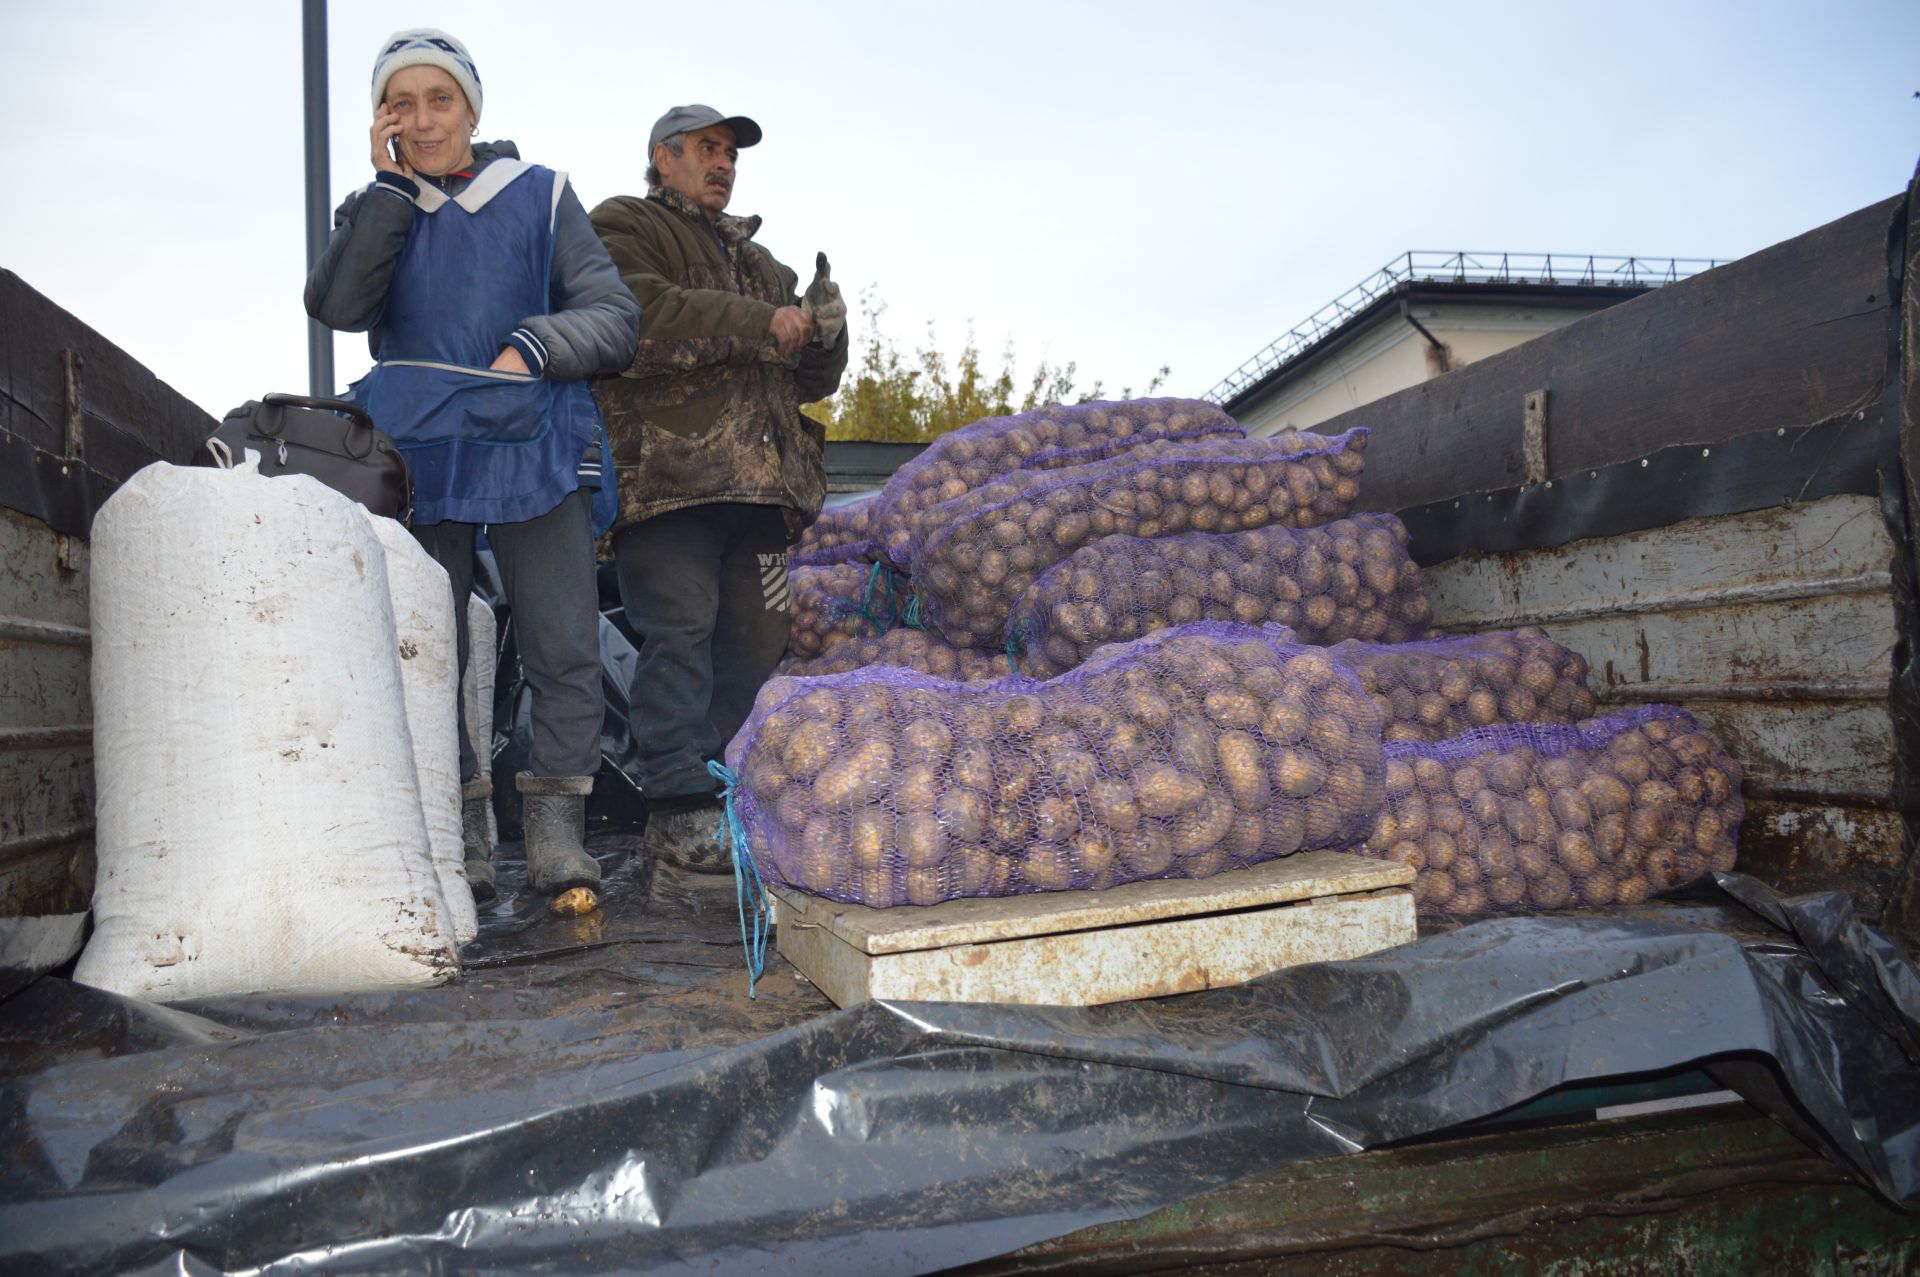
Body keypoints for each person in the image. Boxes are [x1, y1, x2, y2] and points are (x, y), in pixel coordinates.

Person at [305, 29, 639, 901]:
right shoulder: (376, 206)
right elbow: (338, 307)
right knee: (428, 649)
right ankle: (460, 835)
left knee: (563, 641)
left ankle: (557, 835)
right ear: (383, 118)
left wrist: (536, 343)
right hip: (415, 456)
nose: (422, 120)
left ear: (471, 106)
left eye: (439, 99)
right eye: (401, 103)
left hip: (533, 440)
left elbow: (614, 314)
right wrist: (386, 192)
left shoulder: (540, 193)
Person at [590, 105, 848, 872]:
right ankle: (673, 804)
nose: (723, 163)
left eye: (730, 153)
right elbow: (641, 318)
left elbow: (808, 380)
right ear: (662, 157)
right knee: (681, 629)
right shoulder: (626, 225)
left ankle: (724, 794)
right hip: (671, 482)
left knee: (759, 637)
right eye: (707, 149)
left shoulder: (763, 262)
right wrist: (765, 318)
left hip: (759, 487)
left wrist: (827, 335)